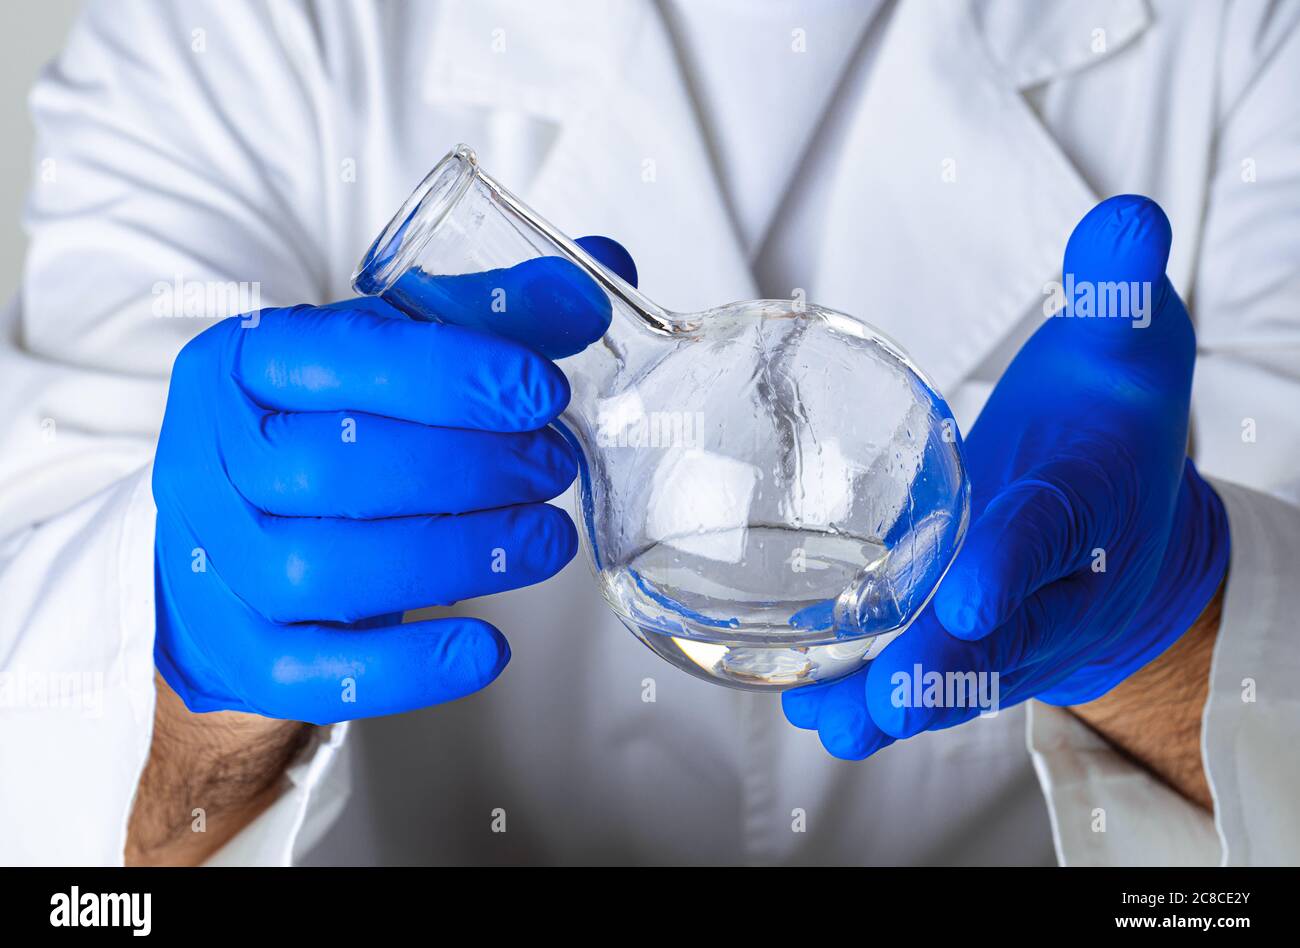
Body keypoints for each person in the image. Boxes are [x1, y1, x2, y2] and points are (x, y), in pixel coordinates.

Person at [1, 0, 1296, 866]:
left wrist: (1176, 630)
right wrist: (185, 682)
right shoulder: (231, 29)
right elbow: (45, 786)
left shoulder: (1245, 33)